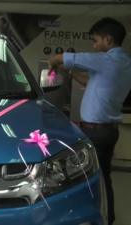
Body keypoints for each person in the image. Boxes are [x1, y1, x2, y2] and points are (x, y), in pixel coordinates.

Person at [49, 17, 131, 225]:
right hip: (108, 130)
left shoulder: (106, 60)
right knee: (103, 176)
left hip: (96, 131)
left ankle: (94, 217)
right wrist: (71, 72)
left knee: (87, 178)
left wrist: (52, 64)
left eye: (96, 41)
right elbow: (89, 80)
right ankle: (107, 217)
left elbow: (60, 58)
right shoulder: (124, 63)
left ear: (108, 40)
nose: (94, 46)